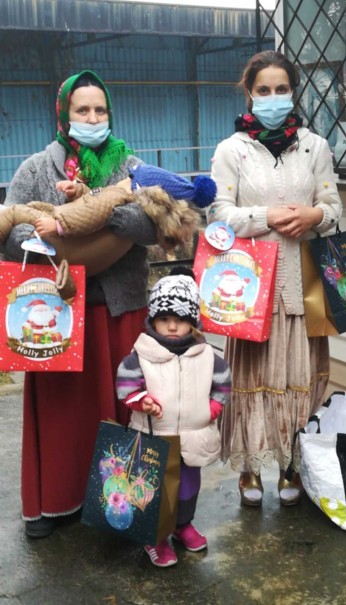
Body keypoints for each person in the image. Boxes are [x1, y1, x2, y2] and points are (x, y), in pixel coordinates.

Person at [0, 69, 164, 538]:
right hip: (55, 313)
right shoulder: (35, 169)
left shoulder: (130, 167)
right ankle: (57, 502)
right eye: (82, 110)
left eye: (100, 110)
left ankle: (123, 507)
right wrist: (90, 227)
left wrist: (82, 219)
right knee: (62, 415)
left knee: (126, 406)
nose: (92, 118)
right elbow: (12, 233)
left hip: (119, 310)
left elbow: (153, 224)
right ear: (64, 114)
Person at [207, 50, 343, 507]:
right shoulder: (232, 150)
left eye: (281, 89)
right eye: (263, 90)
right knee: (252, 379)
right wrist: (265, 216)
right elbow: (219, 213)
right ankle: (250, 469)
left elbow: (334, 206)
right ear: (249, 93)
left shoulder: (314, 146)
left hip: (304, 287)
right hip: (249, 290)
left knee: (300, 378)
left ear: (293, 92)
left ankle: (292, 465)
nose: (272, 97)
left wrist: (314, 216)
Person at [116, 268, 231, 568]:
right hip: (154, 438)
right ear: (152, 320)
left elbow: (223, 384)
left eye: (179, 319)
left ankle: (182, 525)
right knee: (154, 491)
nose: (171, 326)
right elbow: (126, 385)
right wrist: (142, 401)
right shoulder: (142, 355)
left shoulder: (206, 356)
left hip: (192, 438)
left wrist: (212, 408)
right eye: (164, 318)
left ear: (192, 322)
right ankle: (154, 537)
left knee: (187, 488)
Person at [0, 163, 217, 247]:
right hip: (60, 213)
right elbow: (93, 198)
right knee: (16, 211)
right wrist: (78, 190)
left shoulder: (117, 197)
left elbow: (90, 214)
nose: (125, 177)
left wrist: (58, 226)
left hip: (58, 219)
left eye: (131, 176)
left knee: (14, 212)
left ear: (137, 185)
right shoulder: (115, 194)